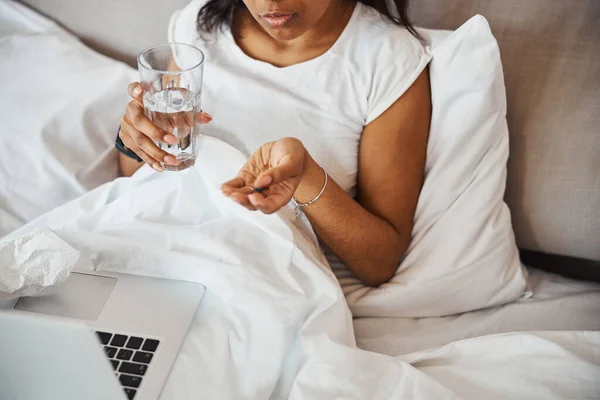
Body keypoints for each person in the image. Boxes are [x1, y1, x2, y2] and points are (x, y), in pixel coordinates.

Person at [116, 0, 432, 287]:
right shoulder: (197, 25)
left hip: (250, 278)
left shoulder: (387, 57)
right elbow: (136, 178)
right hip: (146, 244)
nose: (271, 4)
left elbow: (379, 263)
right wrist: (135, 136)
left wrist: (306, 177)